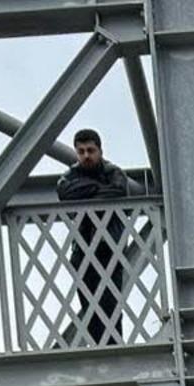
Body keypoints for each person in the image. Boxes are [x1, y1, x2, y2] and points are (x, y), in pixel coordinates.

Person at [56, 127, 130, 347]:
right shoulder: (71, 175)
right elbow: (64, 193)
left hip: (109, 249)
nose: (86, 156)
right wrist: (97, 188)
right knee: (89, 304)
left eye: (90, 150)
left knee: (110, 303)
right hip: (83, 249)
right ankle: (97, 345)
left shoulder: (113, 172)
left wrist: (87, 191)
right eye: (81, 151)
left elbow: (117, 191)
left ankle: (113, 345)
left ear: (100, 150)